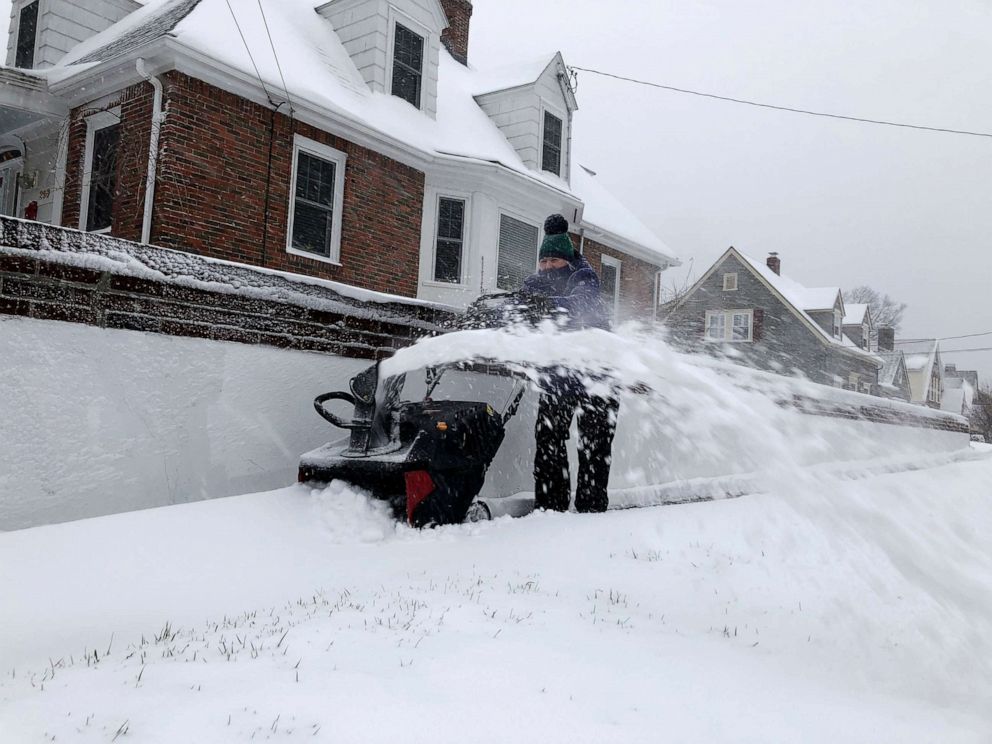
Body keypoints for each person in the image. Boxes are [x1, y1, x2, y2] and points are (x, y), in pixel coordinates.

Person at [521, 213, 619, 513]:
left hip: (598, 375)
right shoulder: (534, 283)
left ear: (566, 259)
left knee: (594, 444)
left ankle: (590, 510)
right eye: (544, 261)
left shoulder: (584, 277)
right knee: (548, 438)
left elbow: (581, 304)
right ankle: (550, 507)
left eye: (554, 260)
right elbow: (517, 309)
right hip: (559, 375)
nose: (548, 266)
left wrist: (551, 306)